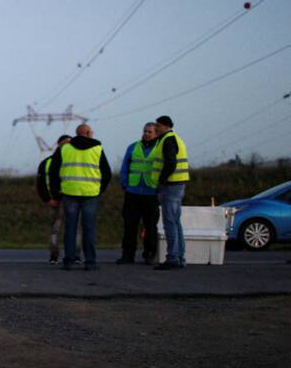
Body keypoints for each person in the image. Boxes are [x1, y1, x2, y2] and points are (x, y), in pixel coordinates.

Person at [49, 123, 112, 270]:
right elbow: (107, 173)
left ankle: (69, 260)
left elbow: (53, 172)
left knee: (70, 228)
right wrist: (99, 189)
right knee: (88, 228)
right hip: (91, 194)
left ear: (76, 134)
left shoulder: (64, 149)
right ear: (89, 133)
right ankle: (90, 261)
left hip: (70, 193)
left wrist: (57, 191)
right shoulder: (97, 149)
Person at [149, 114, 190, 270]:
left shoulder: (168, 140)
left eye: (157, 125)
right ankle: (179, 256)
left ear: (166, 126)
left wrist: (161, 180)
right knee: (175, 221)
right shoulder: (174, 138)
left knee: (170, 221)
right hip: (177, 184)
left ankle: (172, 257)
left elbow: (170, 163)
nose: (156, 128)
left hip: (171, 185)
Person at [116, 122, 160, 264]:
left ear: (156, 134)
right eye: (145, 131)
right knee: (130, 225)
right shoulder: (133, 147)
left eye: (150, 132)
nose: (146, 134)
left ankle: (149, 254)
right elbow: (125, 167)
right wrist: (125, 184)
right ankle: (127, 255)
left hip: (151, 192)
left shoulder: (160, 148)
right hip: (133, 192)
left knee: (150, 226)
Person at [36, 134, 72, 263]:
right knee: (55, 229)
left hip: (73, 200)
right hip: (56, 200)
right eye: (65, 143)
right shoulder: (47, 162)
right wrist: (47, 199)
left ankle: (75, 255)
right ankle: (54, 255)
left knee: (75, 230)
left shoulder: (73, 161)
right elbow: (40, 184)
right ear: (59, 144)